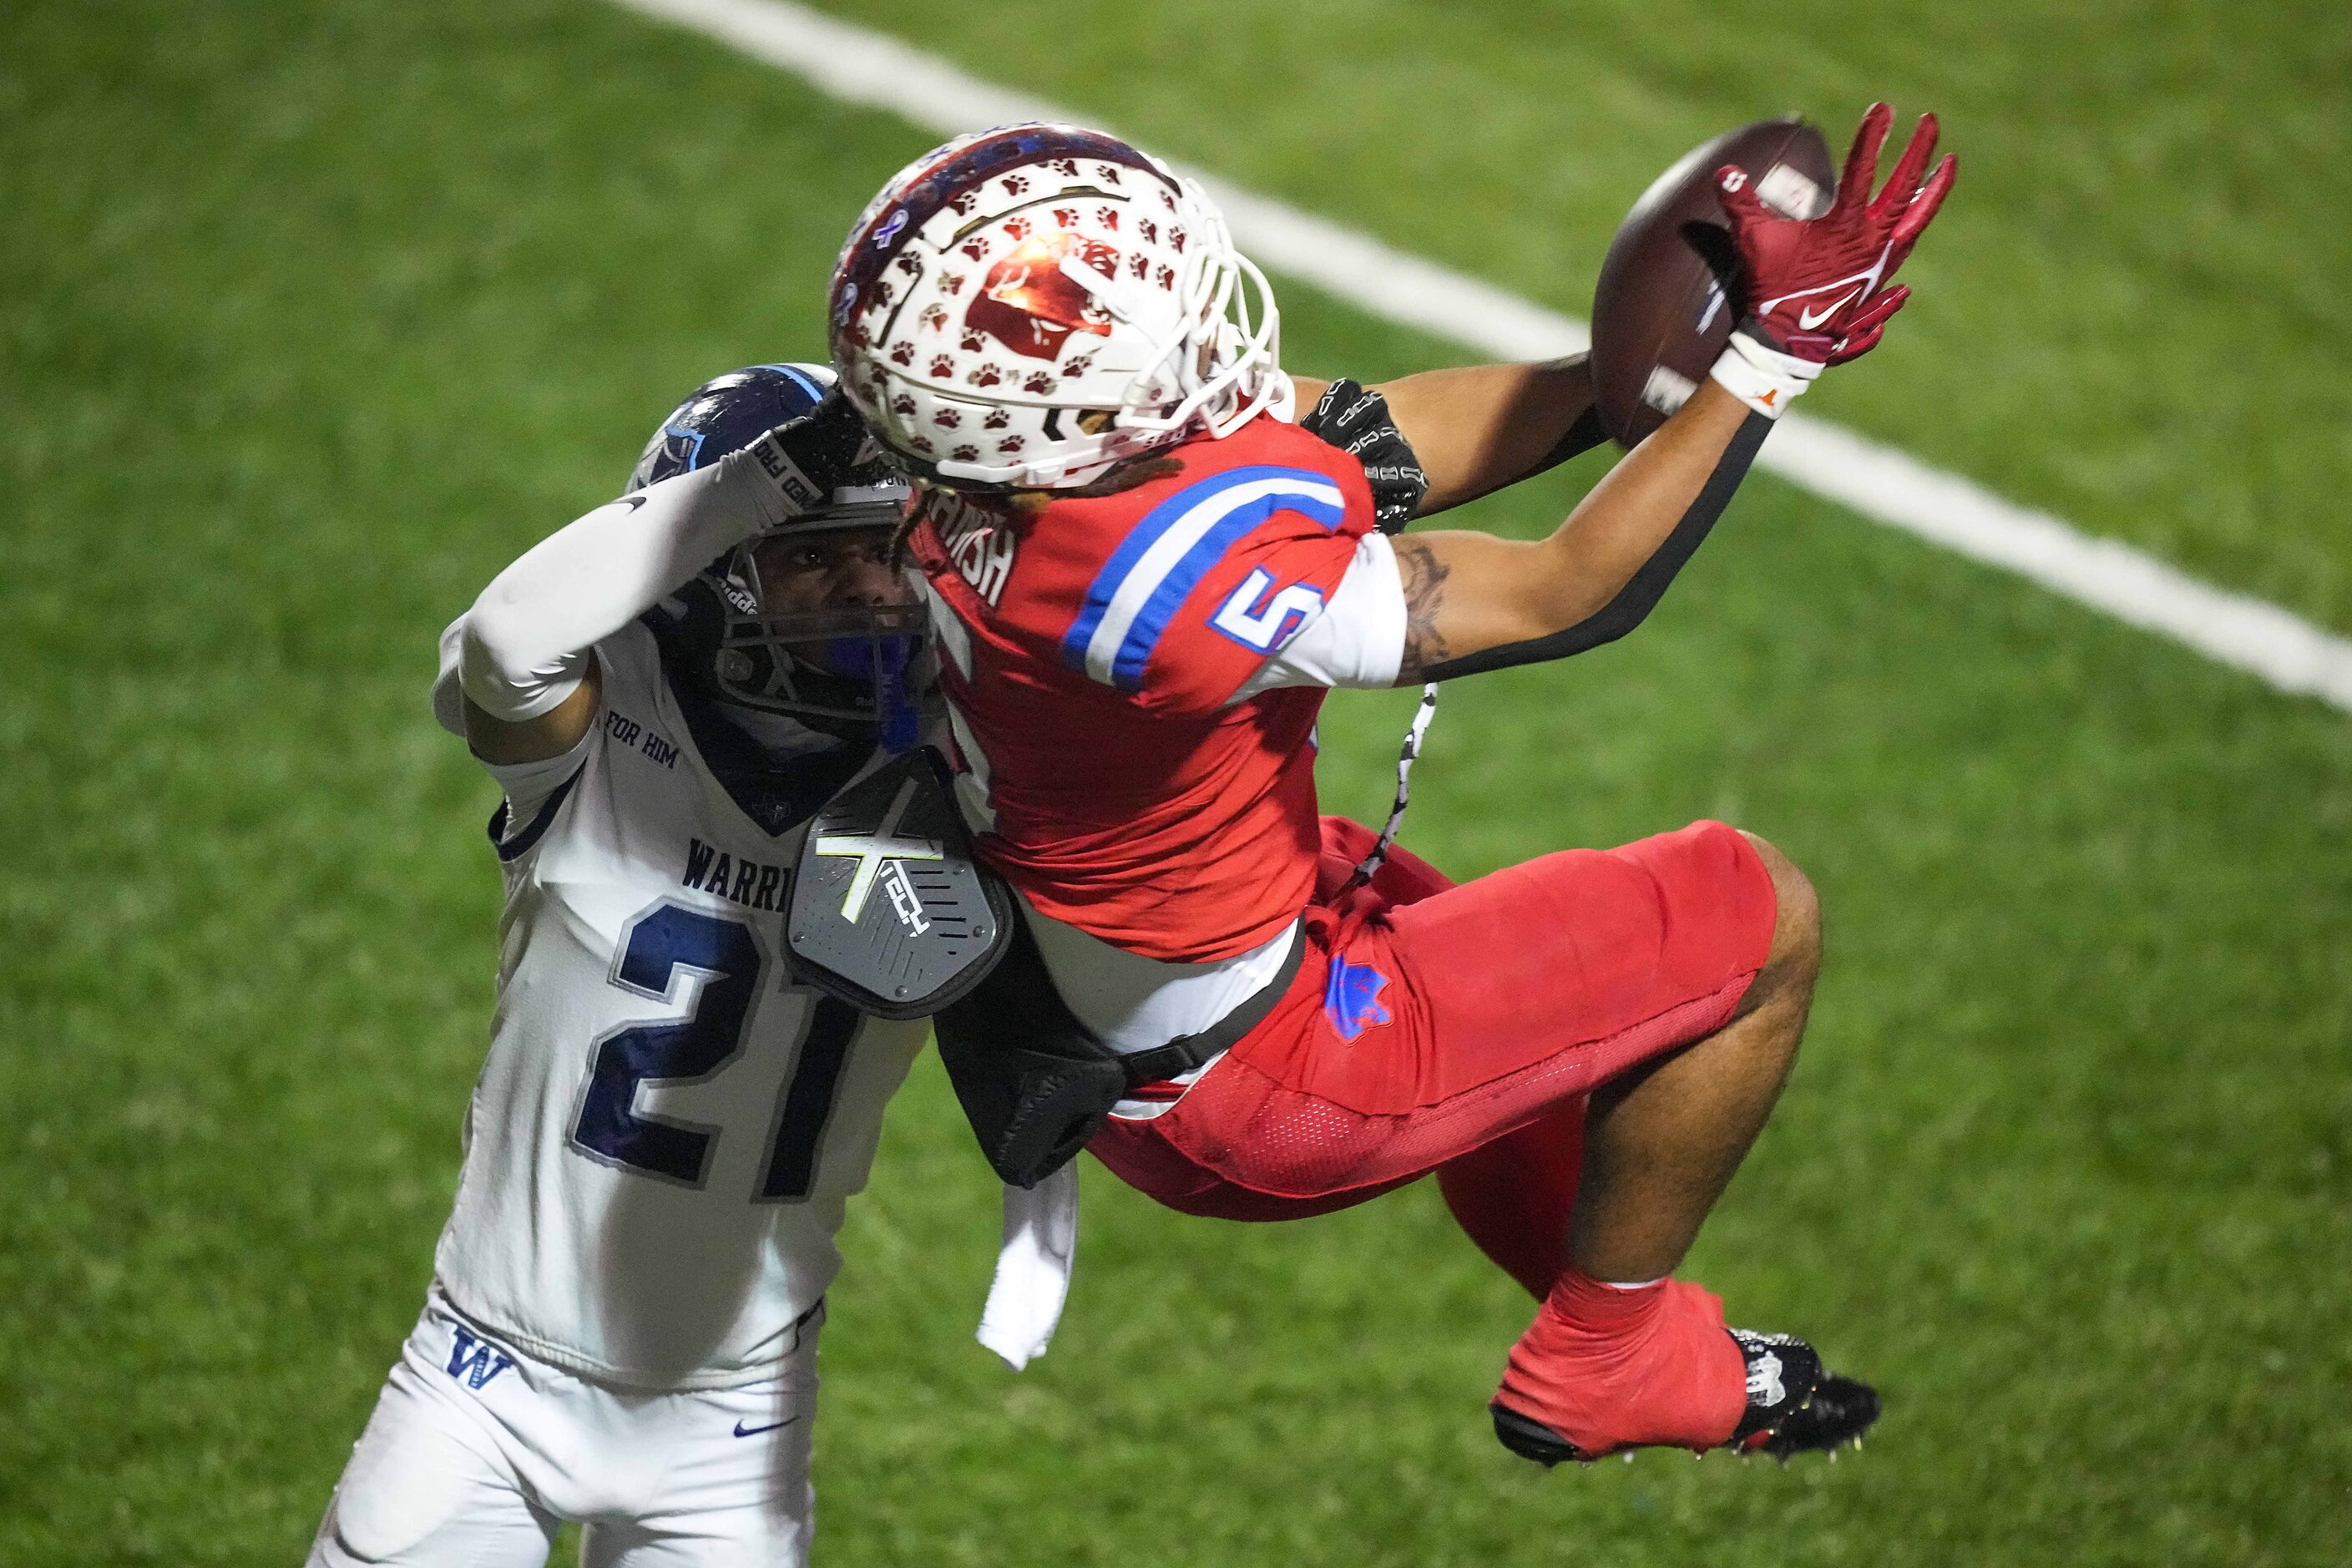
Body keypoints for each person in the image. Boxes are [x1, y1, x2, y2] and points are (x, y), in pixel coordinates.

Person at [827, 109, 1953, 1464]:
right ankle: (1607, 1352)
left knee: (1550, 1001)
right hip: (1264, 1076)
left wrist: (1628, 381)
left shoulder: (978, 468)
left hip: (1118, 1004)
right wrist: (1765, 362)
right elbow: (1562, 592)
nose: (1192, 335)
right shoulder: (1151, 584)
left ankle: (1620, 1315)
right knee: (1753, 909)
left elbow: (1374, 438)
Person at [310, 364, 943, 1565]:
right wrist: (760, 480)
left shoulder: (957, 765)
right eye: (812, 554)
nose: (869, 590)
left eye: (888, 547)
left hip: (736, 1416)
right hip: (482, 1384)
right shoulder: (601, 730)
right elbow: (506, 640)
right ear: (702, 574)